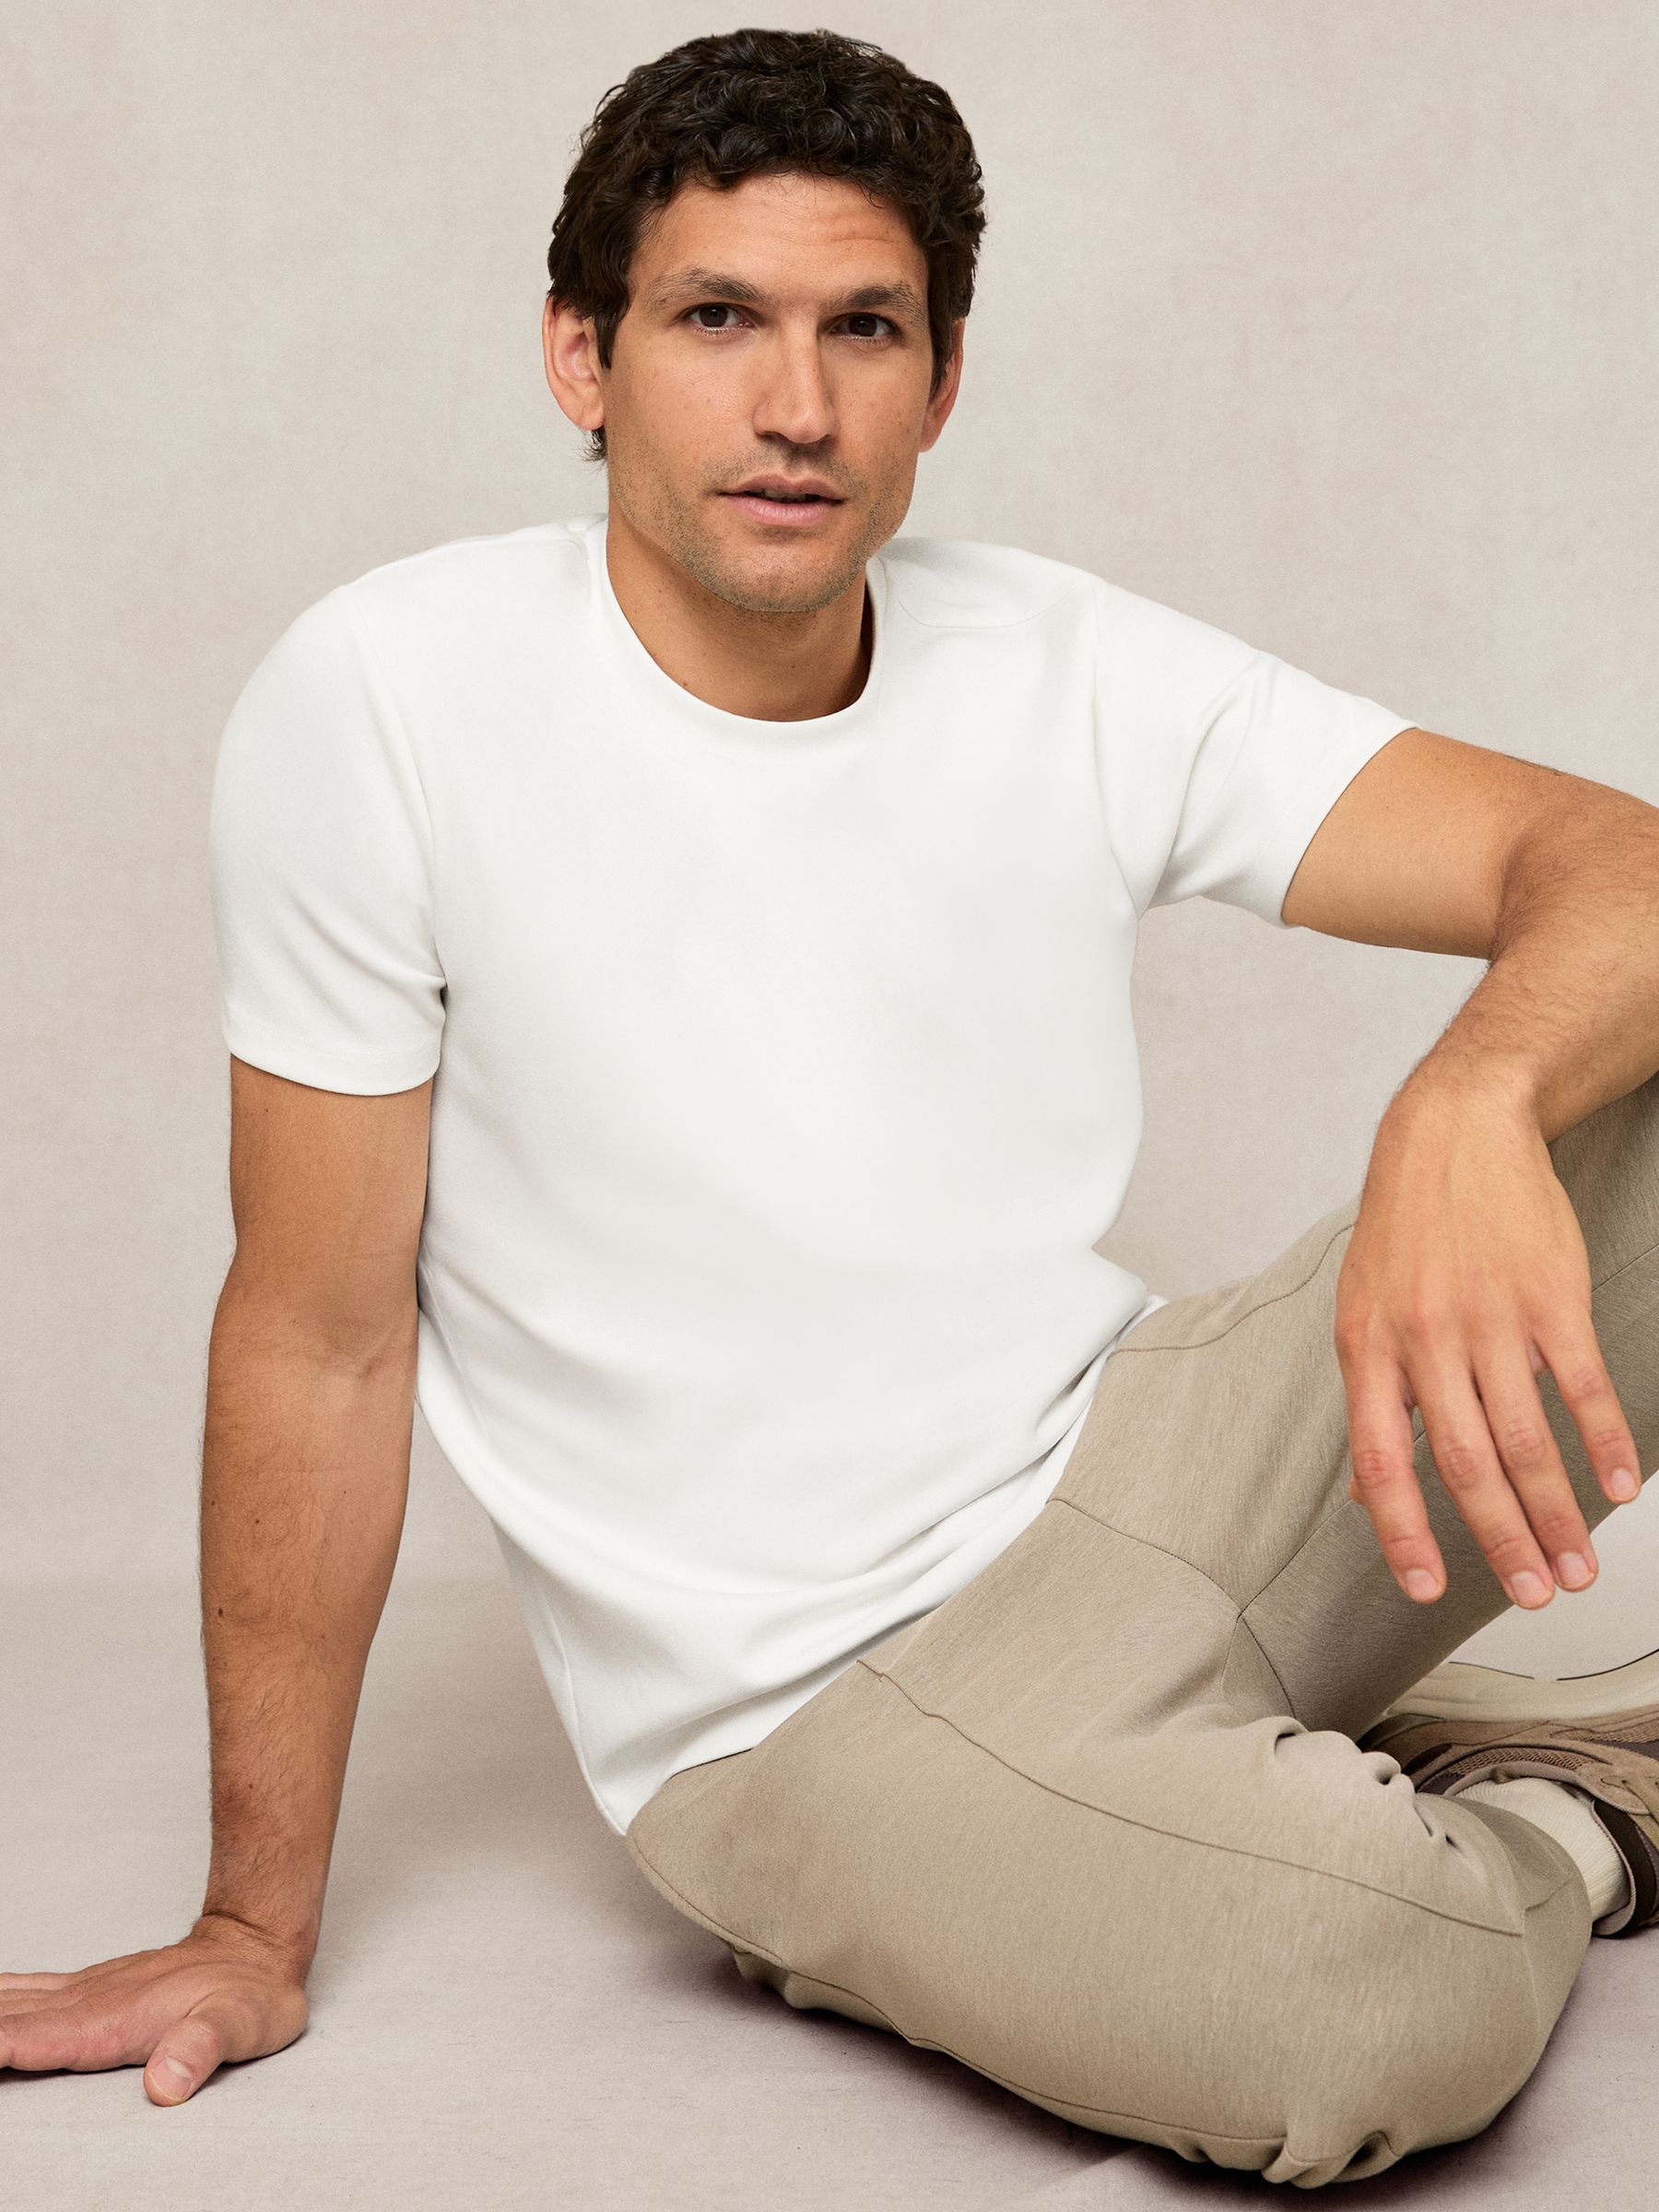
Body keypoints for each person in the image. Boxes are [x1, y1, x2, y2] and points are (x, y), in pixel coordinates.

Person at [4, 25, 1657, 2186]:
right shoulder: (389, 702)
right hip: (810, 1711)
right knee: (1362, 2002)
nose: (798, 405)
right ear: (582, 357)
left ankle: (1256, 1777)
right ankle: (1560, 1802)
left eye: (864, 329)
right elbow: (319, 1334)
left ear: (941, 381)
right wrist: (249, 1927)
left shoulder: (1066, 663)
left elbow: (1612, 863)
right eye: (718, 321)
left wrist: (1471, 1097)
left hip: (1157, 1463)